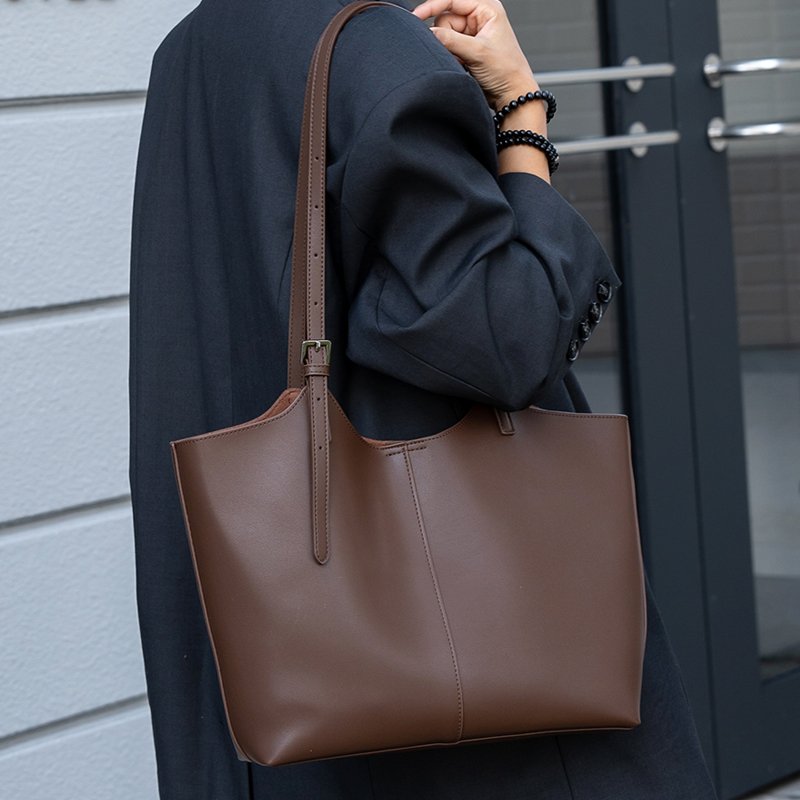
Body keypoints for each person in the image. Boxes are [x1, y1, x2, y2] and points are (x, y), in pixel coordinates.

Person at [128, 0, 719, 797]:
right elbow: (504, 337)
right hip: (471, 714)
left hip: (278, 668)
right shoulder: (373, 51)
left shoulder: (192, 47)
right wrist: (520, 111)